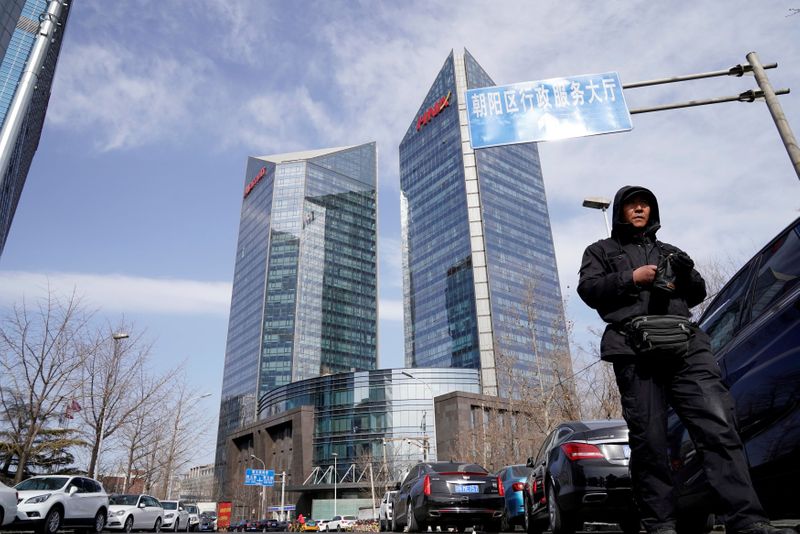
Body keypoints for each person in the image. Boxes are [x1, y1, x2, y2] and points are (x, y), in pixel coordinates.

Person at [577, 185, 795, 534]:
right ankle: (660, 525)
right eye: (632, 204)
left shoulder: (671, 251)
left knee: (718, 426)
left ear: (653, 212)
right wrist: (632, 277)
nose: (639, 209)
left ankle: (747, 519)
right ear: (620, 210)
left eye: (645, 204)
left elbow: (697, 292)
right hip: (634, 348)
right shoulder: (600, 251)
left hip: (686, 346)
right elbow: (589, 291)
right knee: (649, 440)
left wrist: (686, 273)